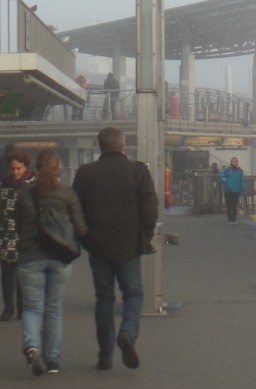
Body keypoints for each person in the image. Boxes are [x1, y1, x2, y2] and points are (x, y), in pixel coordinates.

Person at [72, 126, 159, 371]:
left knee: (104, 299)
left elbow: (75, 209)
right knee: (133, 294)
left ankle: (105, 356)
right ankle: (128, 333)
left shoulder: (85, 173)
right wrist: (145, 235)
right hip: (128, 245)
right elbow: (150, 207)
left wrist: (85, 237)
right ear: (123, 146)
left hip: (97, 246)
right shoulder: (137, 171)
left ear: (100, 146)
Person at [16, 149, 87, 376]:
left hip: (29, 257)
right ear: (59, 170)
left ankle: (32, 346)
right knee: (54, 309)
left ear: (36, 169)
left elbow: (18, 224)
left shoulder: (25, 195)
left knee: (32, 307)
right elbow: (80, 226)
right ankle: (53, 360)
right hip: (59, 257)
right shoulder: (67, 194)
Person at [1, 148, 33, 321]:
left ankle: (23, 308)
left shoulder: (32, 184)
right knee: (7, 275)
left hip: (25, 237)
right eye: (12, 168)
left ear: (25, 167)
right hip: (6, 235)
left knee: (24, 274)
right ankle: (8, 307)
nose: (15, 172)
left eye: (19, 168)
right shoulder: (2, 184)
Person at [220, 157, 245, 224]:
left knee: (234, 205)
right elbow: (221, 176)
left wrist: (242, 188)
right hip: (228, 190)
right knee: (229, 205)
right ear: (231, 162)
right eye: (232, 161)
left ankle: (234, 219)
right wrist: (225, 181)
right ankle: (230, 219)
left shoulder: (240, 171)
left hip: (236, 190)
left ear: (237, 162)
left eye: (235, 161)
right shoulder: (227, 170)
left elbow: (242, 180)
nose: (234, 163)